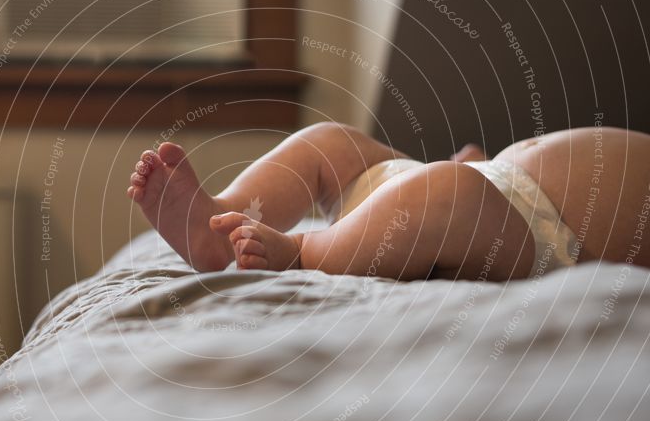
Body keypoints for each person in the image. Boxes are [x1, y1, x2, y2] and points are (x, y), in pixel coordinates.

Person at [127, 123, 650, 281]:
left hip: (541, 240)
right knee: (331, 144)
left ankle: (304, 250)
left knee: (446, 192)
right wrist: (480, 160)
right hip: (489, 180)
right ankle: (220, 219)